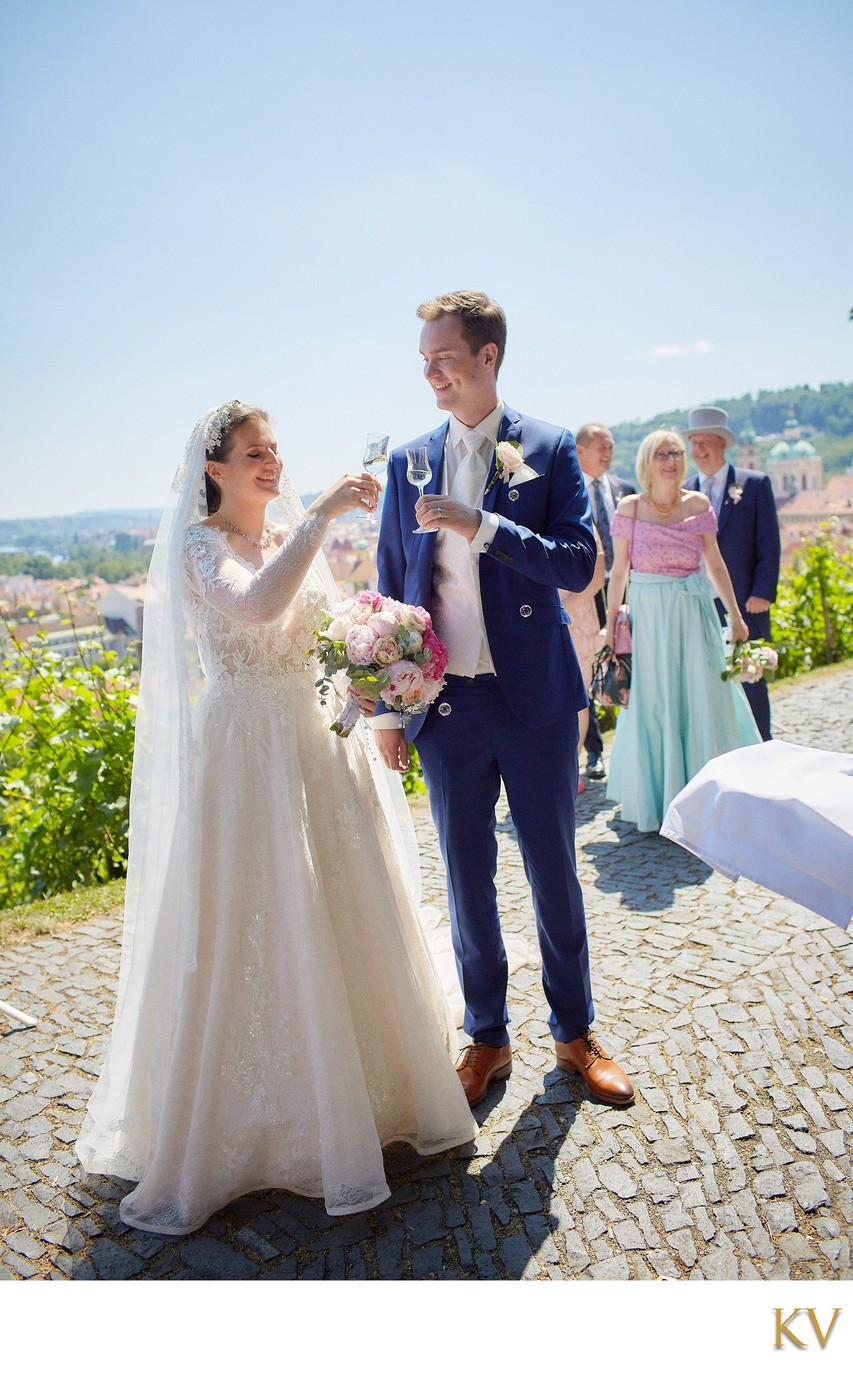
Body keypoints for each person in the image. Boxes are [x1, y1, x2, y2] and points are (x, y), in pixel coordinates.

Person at [76, 402, 475, 1234]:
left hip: (311, 738)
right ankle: (256, 1118)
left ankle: (367, 1088)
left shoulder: (286, 535)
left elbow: (323, 631)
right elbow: (255, 607)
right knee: (255, 911)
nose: (271, 462)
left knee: (337, 904)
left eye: (275, 449)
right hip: (243, 750)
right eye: (254, 452)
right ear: (213, 469)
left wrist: (380, 649)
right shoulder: (199, 548)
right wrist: (326, 512)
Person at [375, 290, 634, 1110]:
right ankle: (485, 1037)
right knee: (466, 875)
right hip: (445, 704)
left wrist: (480, 523)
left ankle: (573, 1034)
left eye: (443, 357)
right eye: (423, 360)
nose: (430, 373)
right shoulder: (406, 459)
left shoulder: (550, 448)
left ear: (487, 356)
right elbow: (388, 586)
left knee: (553, 868)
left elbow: (577, 565)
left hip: (537, 698)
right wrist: (388, 709)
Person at [604, 429, 763, 833]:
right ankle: (661, 799)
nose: (672, 459)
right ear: (647, 461)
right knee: (655, 701)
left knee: (703, 695)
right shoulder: (630, 507)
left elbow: (716, 563)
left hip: (694, 613)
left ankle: (710, 799)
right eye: (662, 453)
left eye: (676, 452)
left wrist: (736, 617)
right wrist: (610, 626)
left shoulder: (699, 503)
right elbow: (619, 570)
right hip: (650, 616)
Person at [682, 405, 780, 740]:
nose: (698, 450)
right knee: (708, 681)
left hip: (745, 601)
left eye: (705, 441)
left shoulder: (754, 485)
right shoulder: (685, 489)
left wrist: (762, 592)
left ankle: (762, 745)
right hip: (699, 602)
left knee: (750, 678)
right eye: (693, 443)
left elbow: (769, 543)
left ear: (723, 443)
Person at [575, 423, 635, 780]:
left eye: (612, 446)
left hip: (626, 590)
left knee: (628, 665)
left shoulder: (626, 491)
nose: (609, 453)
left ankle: (632, 746)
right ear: (581, 450)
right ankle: (593, 753)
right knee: (587, 669)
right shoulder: (568, 492)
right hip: (585, 596)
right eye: (602, 446)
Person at [560, 527, 606, 794]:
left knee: (578, 697)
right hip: (535, 619)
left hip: (577, 617)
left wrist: (559, 609)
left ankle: (572, 767)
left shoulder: (581, 521)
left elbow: (598, 578)